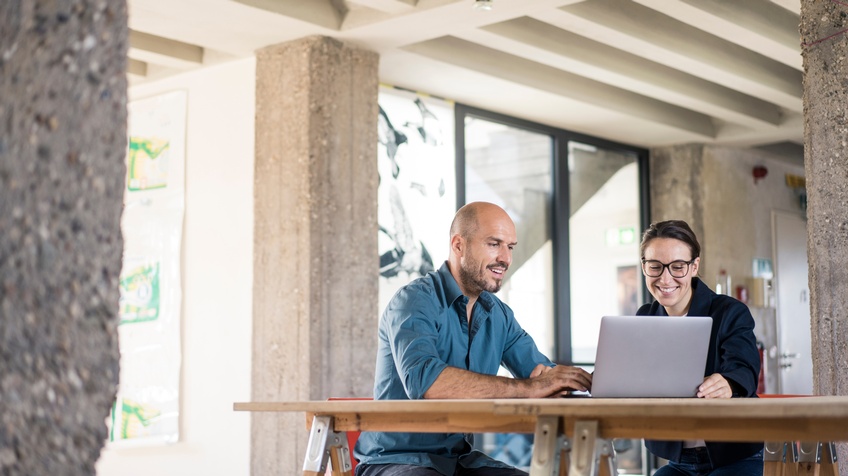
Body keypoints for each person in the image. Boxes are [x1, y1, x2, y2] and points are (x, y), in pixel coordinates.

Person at [355, 201, 592, 476]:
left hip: (460, 460)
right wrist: (529, 388)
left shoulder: (498, 314)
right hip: (397, 460)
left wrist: (569, 382)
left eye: (510, 247)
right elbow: (425, 381)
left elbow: (541, 373)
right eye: (494, 244)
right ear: (459, 245)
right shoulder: (414, 301)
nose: (505, 258)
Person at [637, 220, 763, 476]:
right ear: (644, 267)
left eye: (677, 267)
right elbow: (629, 374)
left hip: (737, 456)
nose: (665, 277)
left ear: (694, 266)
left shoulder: (729, 311)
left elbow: (745, 366)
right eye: (655, 267)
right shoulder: (645, 317)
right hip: (679, 462)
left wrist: (729, 382)